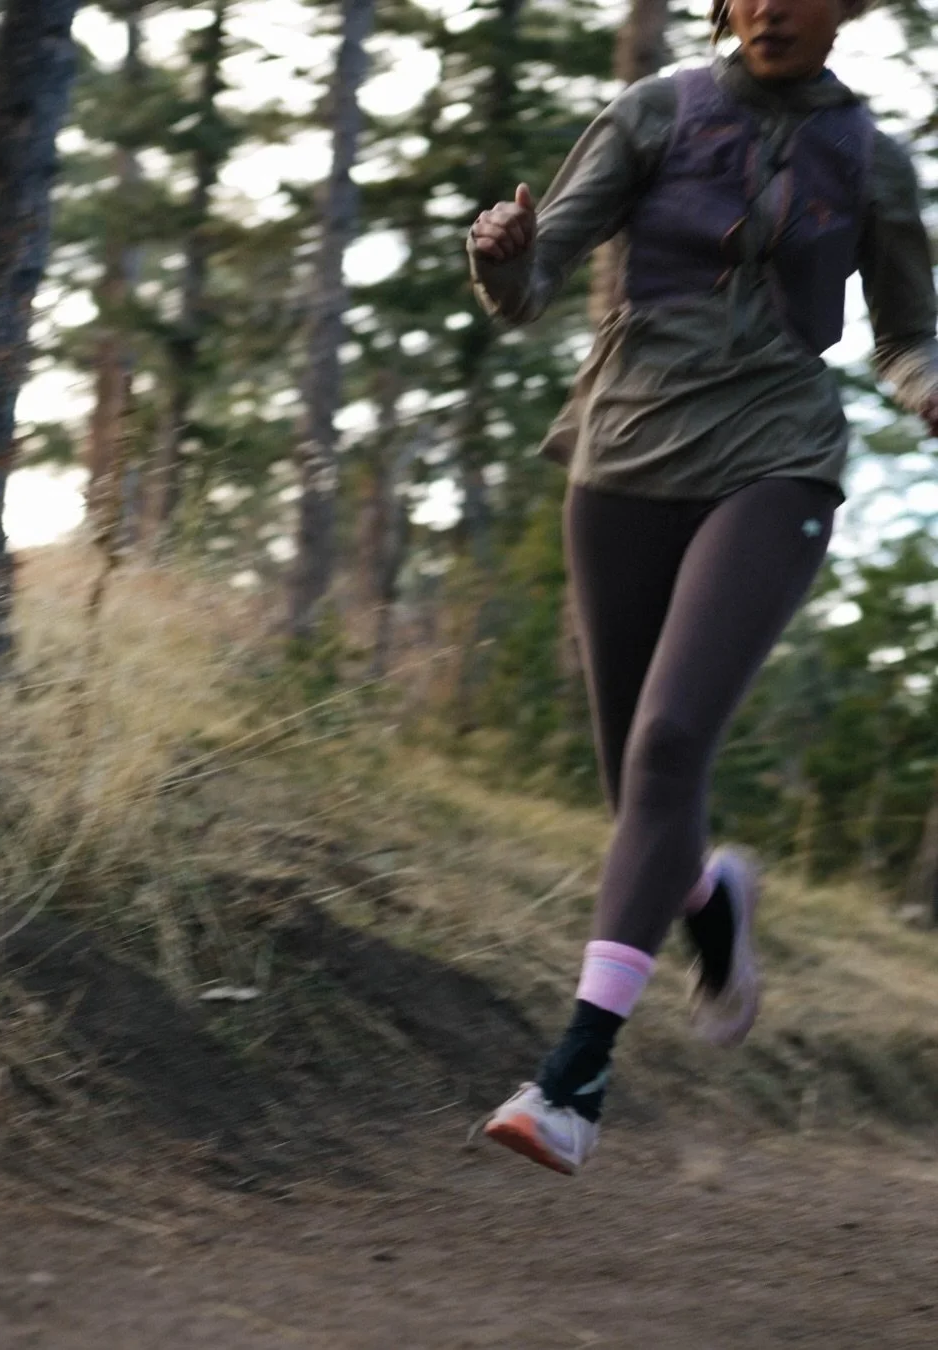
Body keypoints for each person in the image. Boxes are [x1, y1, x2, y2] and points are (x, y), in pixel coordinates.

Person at [468, 0, 938, 1176]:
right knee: (634, 773)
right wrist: (503, 261)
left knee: (673, 744)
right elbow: (532, 290)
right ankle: (708, 901)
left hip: (778, 451)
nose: (773, 5)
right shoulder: (652, 114)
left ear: (847, 10)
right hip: (625, 450)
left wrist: (927, 383)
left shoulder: (872, 160)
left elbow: (905, 333)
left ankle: (575, 1074)